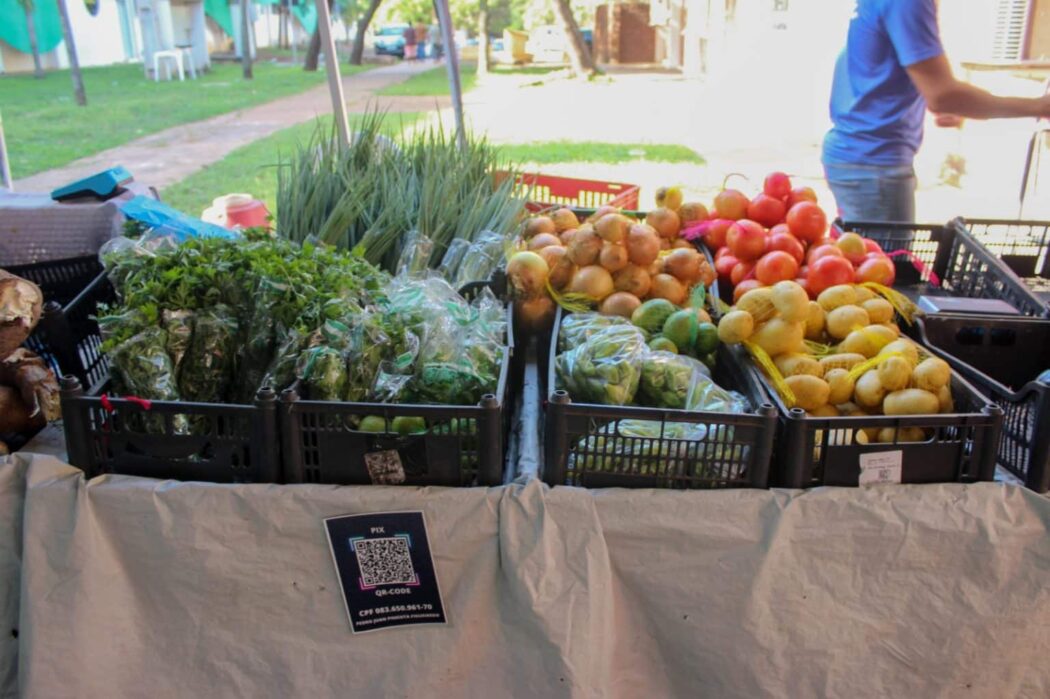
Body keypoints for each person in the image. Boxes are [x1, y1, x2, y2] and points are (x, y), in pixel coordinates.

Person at [823, 0, 1050, 222]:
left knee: (862, 255)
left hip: (857, 157)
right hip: (873, 166)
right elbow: (942, 96)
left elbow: (872, 62)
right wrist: (1039, 106)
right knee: (888, 258)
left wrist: (939, 97)